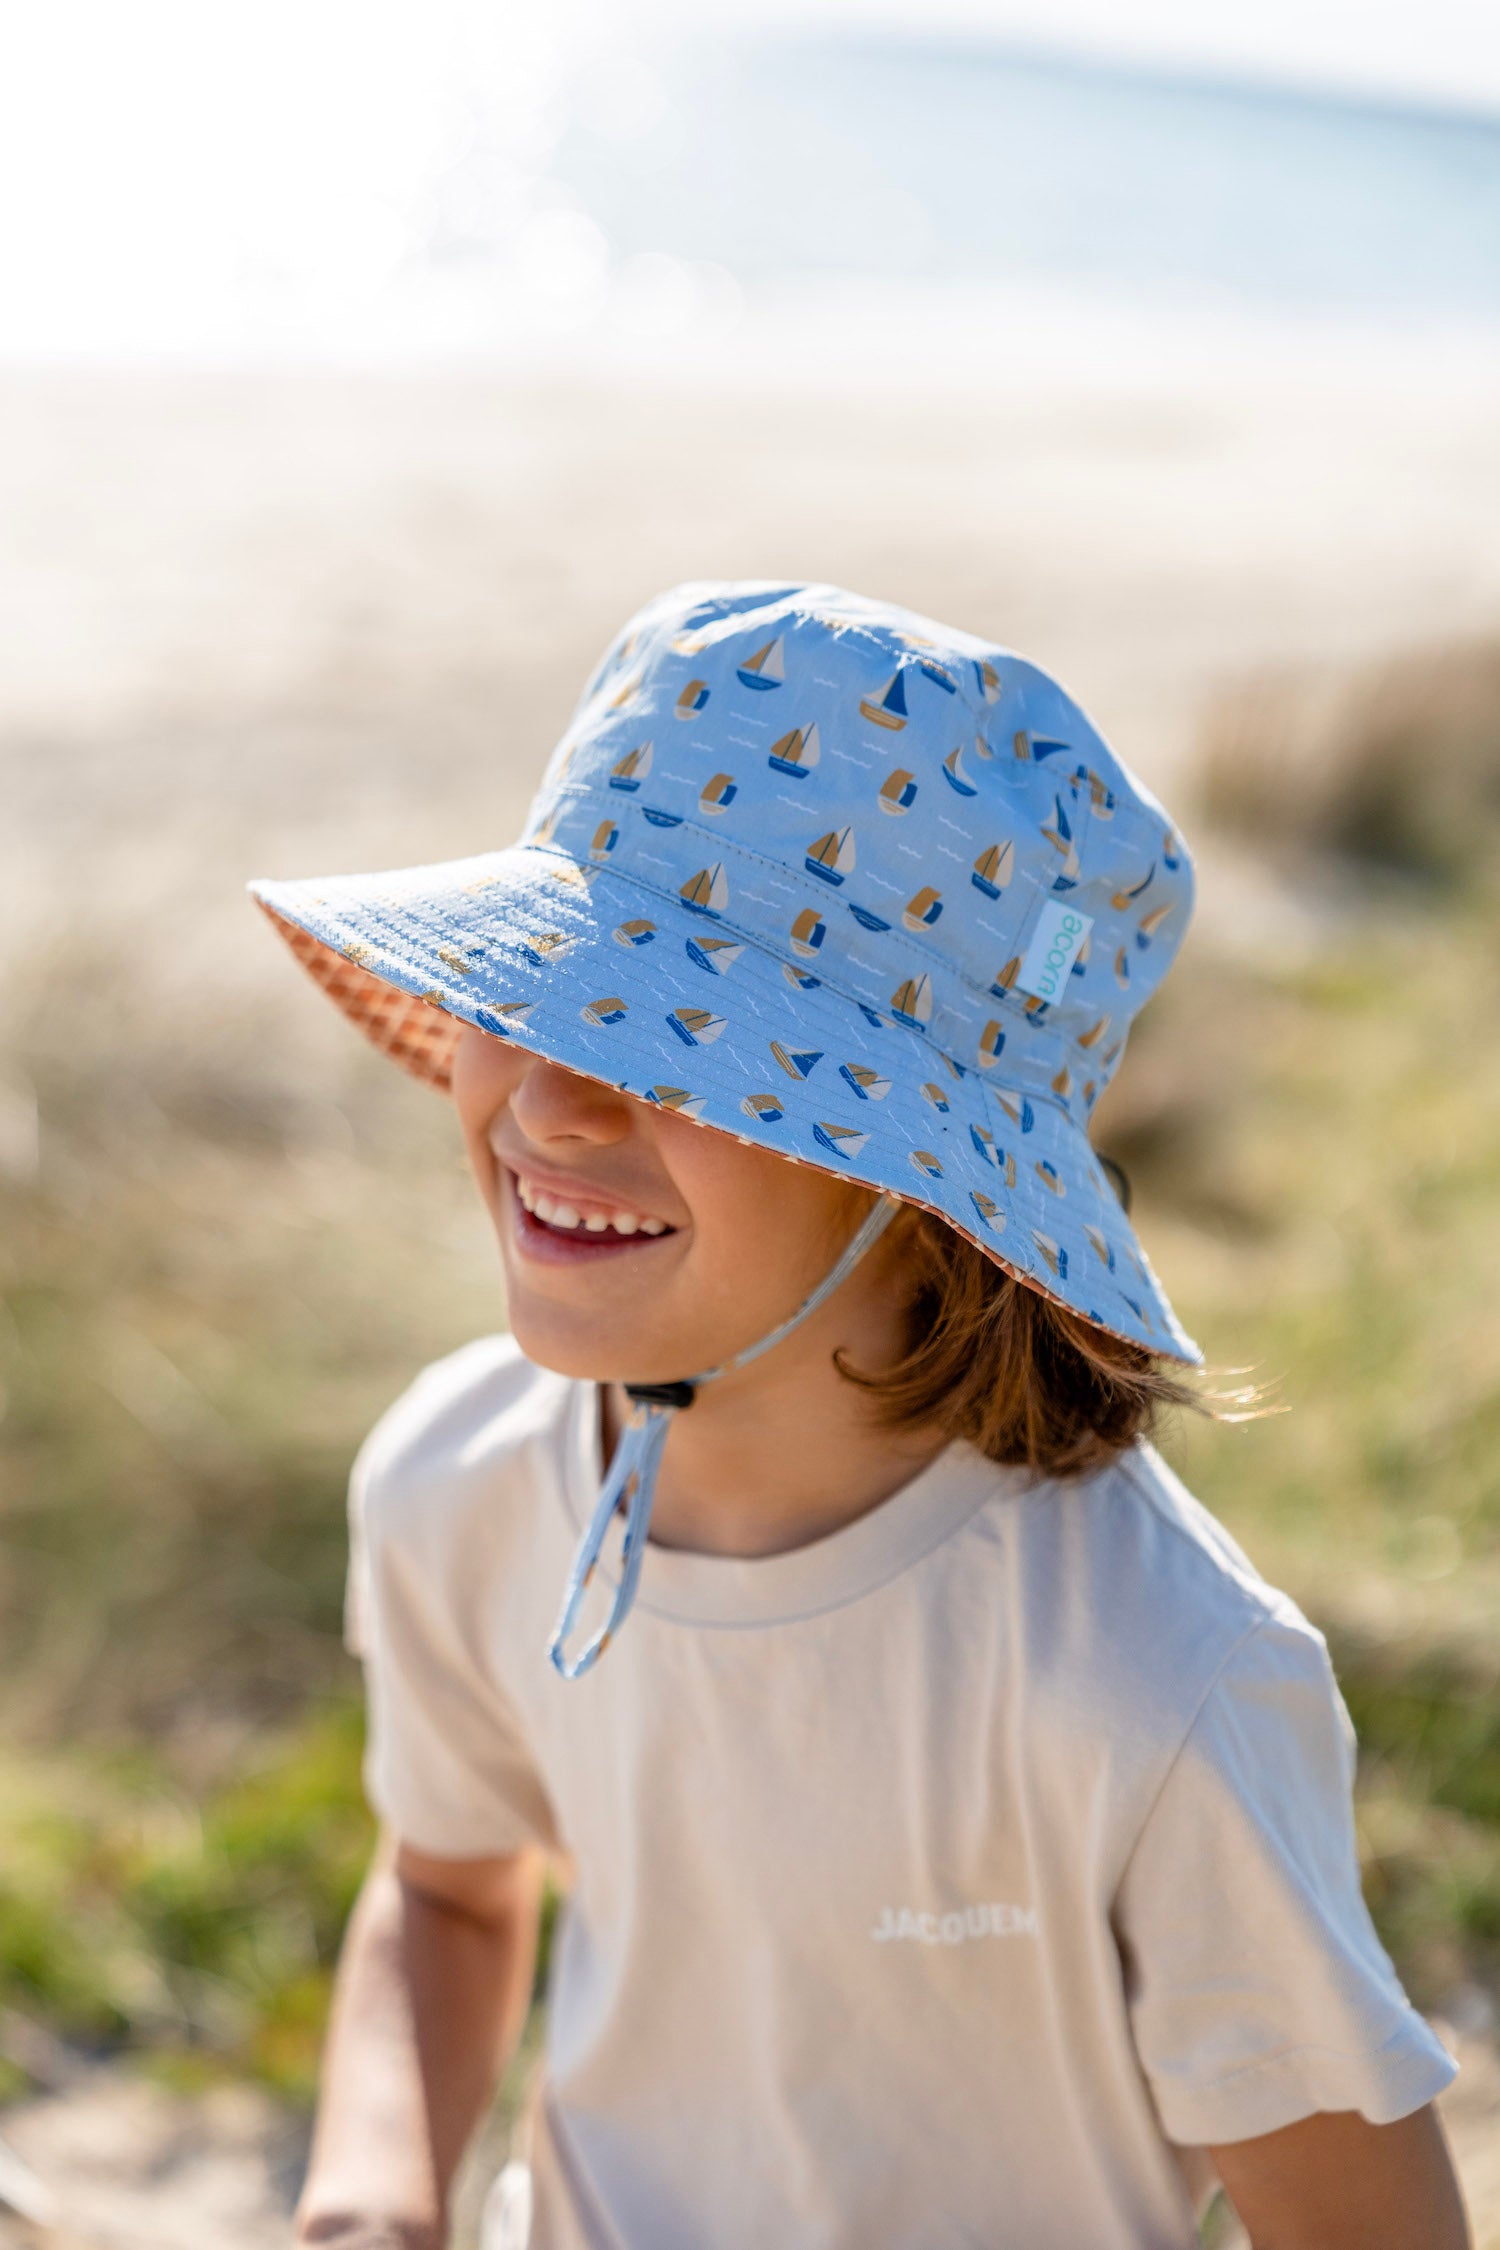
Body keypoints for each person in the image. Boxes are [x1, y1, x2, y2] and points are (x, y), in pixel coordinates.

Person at [250, 581, 1470, 2249]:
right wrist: (370, 2202)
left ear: (920, 1180)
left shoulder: (1151, 1675)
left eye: (681, 1049)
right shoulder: (456, 1485)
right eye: (533, 996)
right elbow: (448, 1891)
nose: (549, 1097)